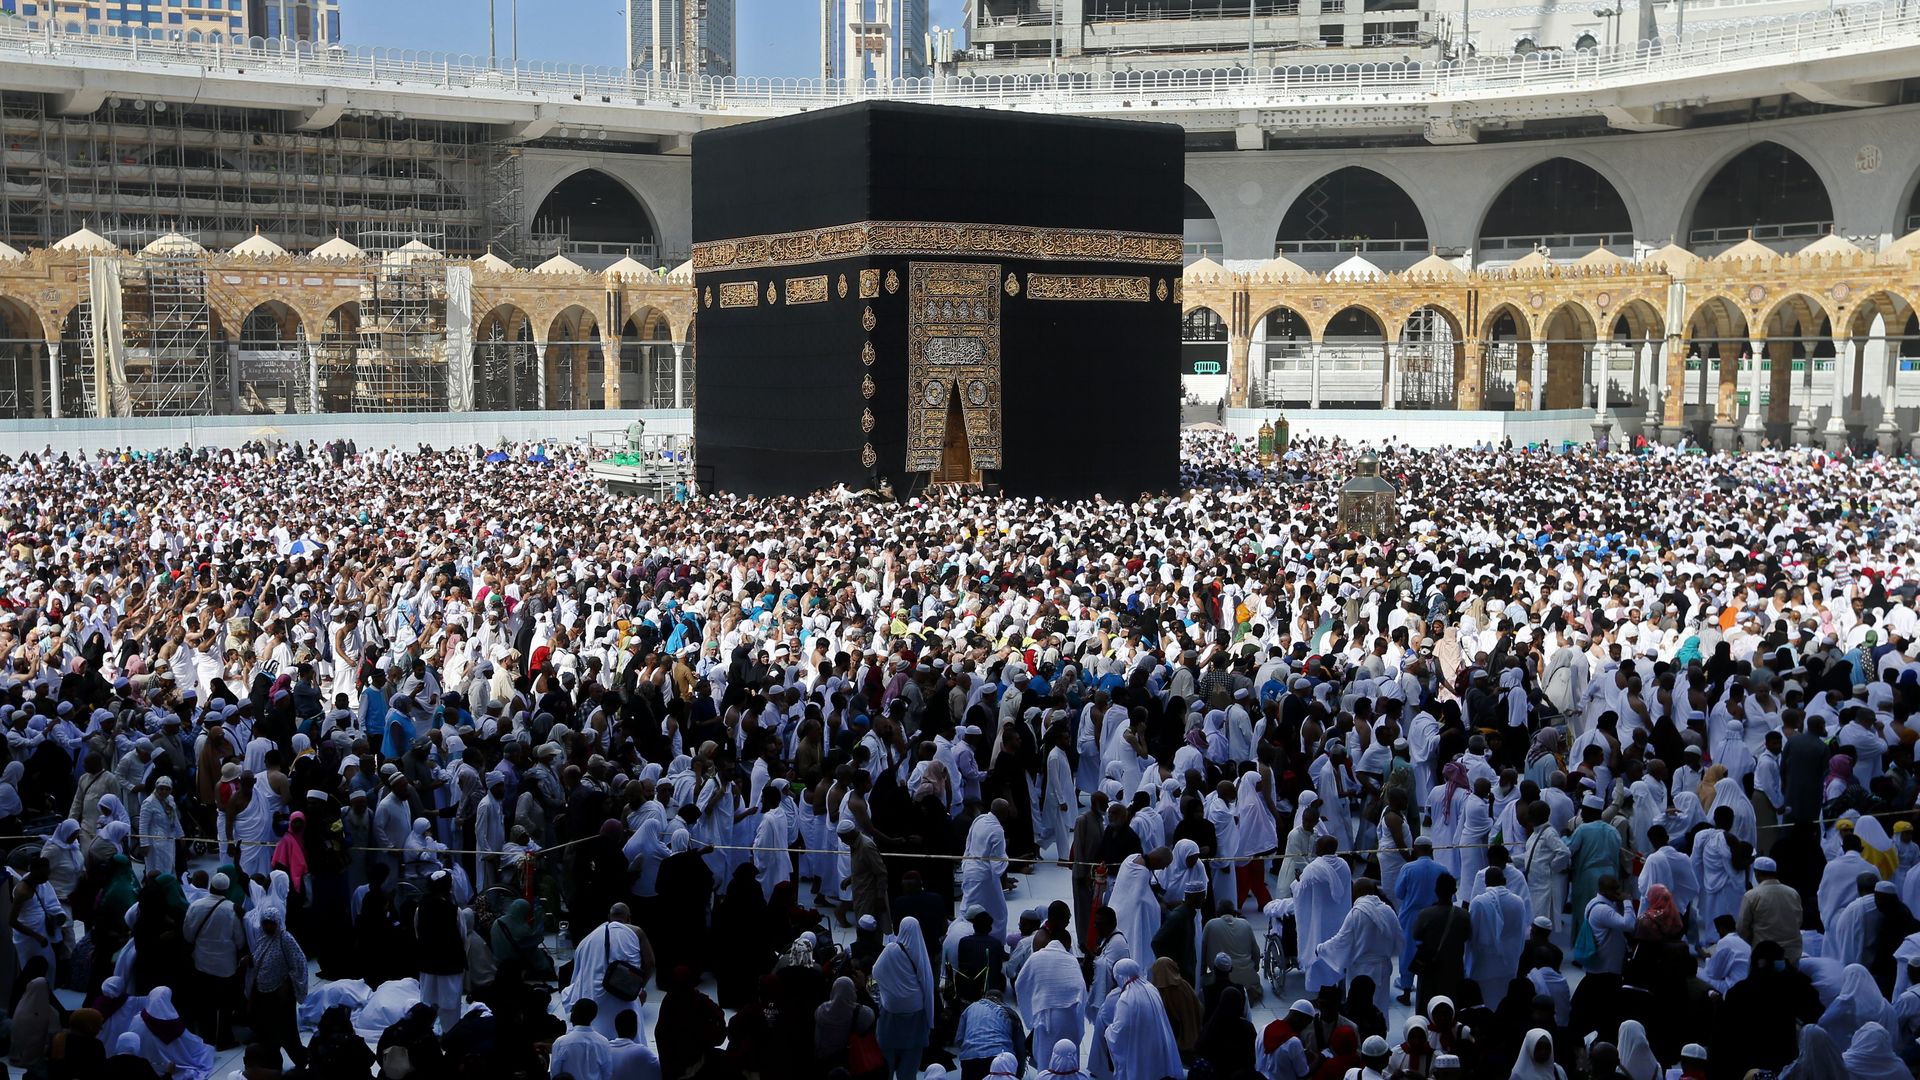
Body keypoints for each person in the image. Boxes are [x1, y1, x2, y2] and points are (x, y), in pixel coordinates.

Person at [874, 915, 936, 1080]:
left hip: (891, 1011)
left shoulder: (892, 949)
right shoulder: (920, 952)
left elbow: (876, 971)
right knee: (911, 1058)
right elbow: (927, 984)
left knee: (886, 1058)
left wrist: (889, 989)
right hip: (916, 1011)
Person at [1100, 958, 1183, 1080]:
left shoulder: (1126, 998)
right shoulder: (1151, 988)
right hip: (1156, 1046)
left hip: (1139, 1052)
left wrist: (1108, 1031)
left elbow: (1120, 1031)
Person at [550, 1000, 613, 1080]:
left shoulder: (561, 1043)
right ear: (594, 1016)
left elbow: (555, 1073)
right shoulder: (604, 1042)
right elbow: (607, 1073)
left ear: (573, 1014)